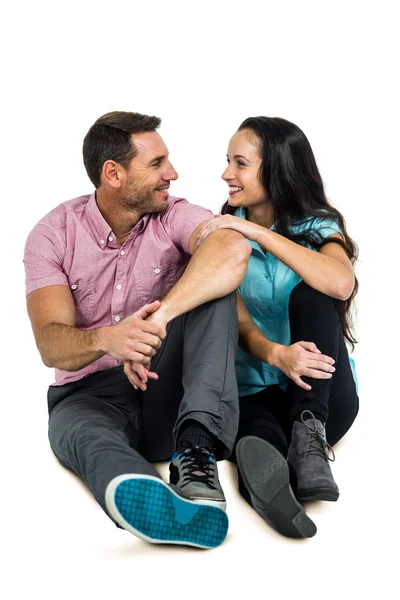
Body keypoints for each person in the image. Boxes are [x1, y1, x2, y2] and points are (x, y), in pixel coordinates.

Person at [23, 111, 251, 549]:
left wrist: (155, 323)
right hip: (89, 397)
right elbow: (49, 343)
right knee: (87, 438)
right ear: (114, 173)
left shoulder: (172, 215)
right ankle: (151, 498)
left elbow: (231, 246)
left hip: (167, 387)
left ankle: (196, 447)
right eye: (156, 164)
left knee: (215, 283)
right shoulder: (52, 234)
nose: (172, 174)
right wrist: (108, 339)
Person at [197, 116, 359, 539]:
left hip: (320, 393)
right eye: (227, 162)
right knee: (257, 436)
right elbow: (238, 320)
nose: (226, 174)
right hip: (253, 387)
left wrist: (257, 231)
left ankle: (309, 436)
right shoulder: (223, 236)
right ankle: (278, 491)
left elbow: (341, 283)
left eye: (240, 163)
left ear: (278, 169)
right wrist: (277, 354)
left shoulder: (319, 226)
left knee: (312, 292)